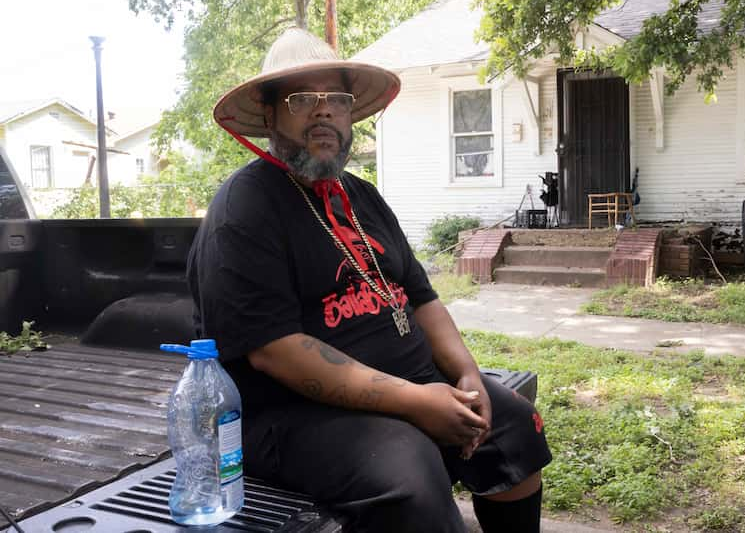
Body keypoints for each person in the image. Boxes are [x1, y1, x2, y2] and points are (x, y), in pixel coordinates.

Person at [187, 27, 551, 533]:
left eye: (335, 98)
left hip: (409, 383)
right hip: (292, 414)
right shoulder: (245, 208)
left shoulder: (362, 196)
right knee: (410, 471)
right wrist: (416, 402)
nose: (323, 110)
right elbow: (275, 350)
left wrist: (466, 376)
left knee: (510, 420)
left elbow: (422, 299)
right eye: (301, 98)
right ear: (268, 114)